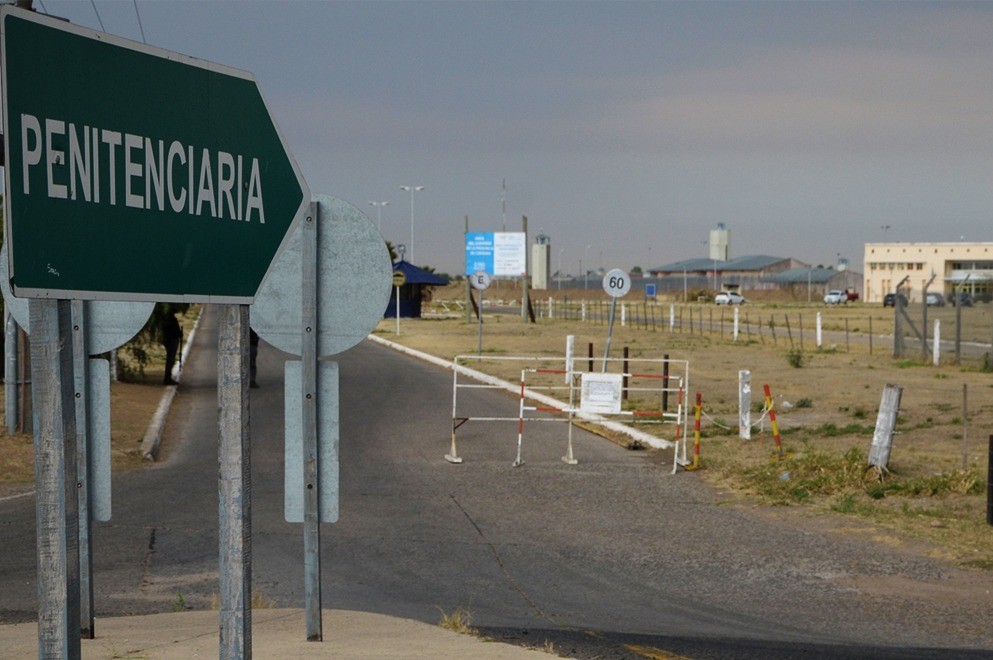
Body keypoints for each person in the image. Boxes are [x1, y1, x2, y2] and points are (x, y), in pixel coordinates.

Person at [161, 308, 182, 385]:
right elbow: (176, 332)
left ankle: (168, 377)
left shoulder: (169, 319)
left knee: (170, 359)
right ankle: (167, 378)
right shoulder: (171, 319)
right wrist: (180, 334)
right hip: (172, 340)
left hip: (170, 340)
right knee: (170, 359)